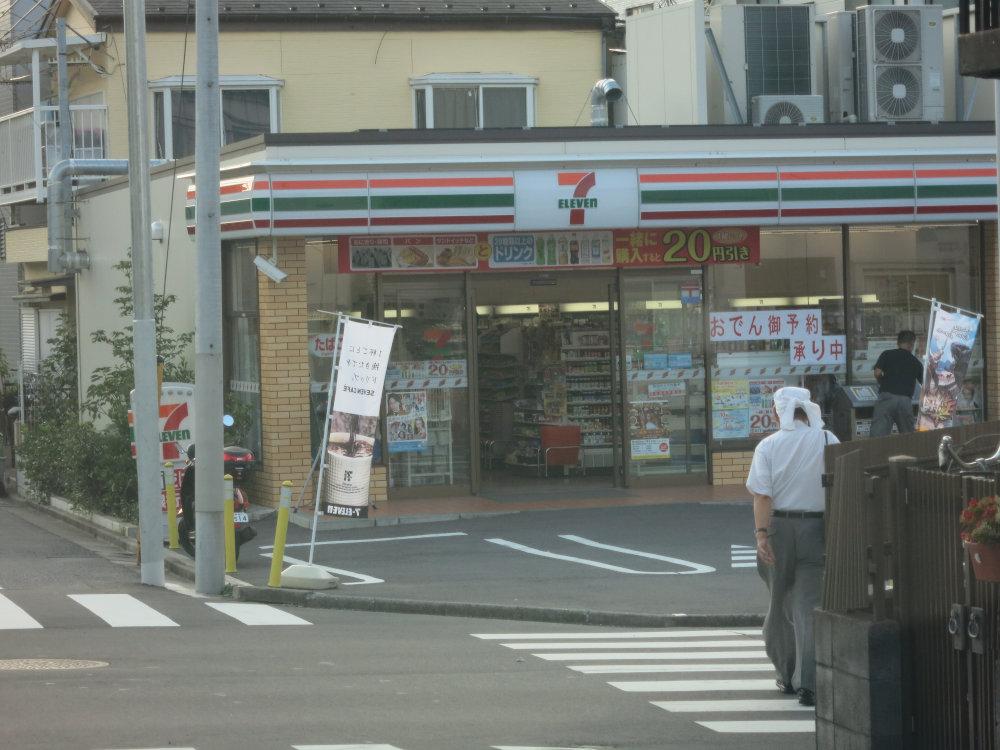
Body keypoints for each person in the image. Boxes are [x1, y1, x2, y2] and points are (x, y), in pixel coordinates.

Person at [746, 386, 839, 708]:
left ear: (778, 412)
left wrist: (760, 535)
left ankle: (786, 674)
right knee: (807, 606)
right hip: (818, 527)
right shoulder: (828, 440)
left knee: (778, 601)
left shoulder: (769, 445)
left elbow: (762, 495)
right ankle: (808, 682)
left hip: (778, 528)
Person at [870, 330, 923, 437]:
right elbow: (925, 383)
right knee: (908, 436)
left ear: (898, 342)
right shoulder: (916, 362)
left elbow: (877, 372)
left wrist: (882, 381)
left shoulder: (887, 354)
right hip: (905, 400)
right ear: (912, 344)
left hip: (887, 397)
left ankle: (878, 453)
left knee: (878, 436)